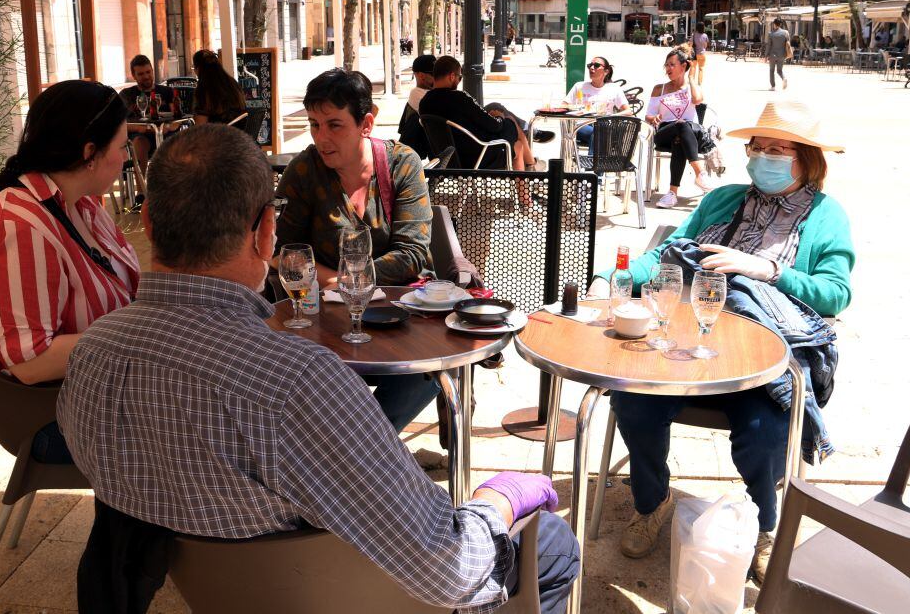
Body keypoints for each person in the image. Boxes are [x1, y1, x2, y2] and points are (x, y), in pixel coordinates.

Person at [59, 124, 582, 613]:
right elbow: (446, 566)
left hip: (210, 589)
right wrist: (497, 499)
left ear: (148, 222)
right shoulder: (295, 382)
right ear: (266, 232)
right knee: (554, 545)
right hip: (331, 594)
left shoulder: (92, 353)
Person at [589, 100, 854, 585]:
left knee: (764, 433)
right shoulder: (723, 199)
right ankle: (652, 501)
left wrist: (771, 270)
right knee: (632, 403)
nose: (764, 157)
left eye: (780, 149)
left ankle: (768, 524)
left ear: (807, 160)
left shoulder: (825, 216)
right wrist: (613, 277)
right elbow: (670, 257)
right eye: (759, 147)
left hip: (762, 356)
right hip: (688, 344)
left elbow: (836, 293)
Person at [0, 80, 140, 463]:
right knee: (202, 421)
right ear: (90, 153)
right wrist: (137, 338)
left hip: (92, 392)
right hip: (49, 416)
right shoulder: (23, 223)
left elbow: (127, 287)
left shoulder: (79, 204)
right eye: (121, 147)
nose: (126, 158)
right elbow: (32, 363)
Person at [275, 69, 439, 433]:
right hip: (327, 321)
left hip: (399, 316)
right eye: (314, 124)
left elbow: (412, 254)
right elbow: (283, 251)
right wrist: (342, 285)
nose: (321, 138)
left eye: (334, 125)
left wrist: (342, 280)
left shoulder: (402, 164)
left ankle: (360, 448)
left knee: (426, 371)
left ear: (367, 123)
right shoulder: (304, 169)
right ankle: (365, 453)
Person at [418, 56, 535, 171]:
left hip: (446, 159)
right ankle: (530, 171)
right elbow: (495, 126)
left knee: (512, 132)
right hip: (477, 157)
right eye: (459, 77)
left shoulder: (424, 103)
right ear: (452, 76)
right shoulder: (460, 98)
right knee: (514, 134)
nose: (459, 81)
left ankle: (531, 165)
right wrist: (499, 116)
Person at [646, 45, 710, 209]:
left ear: (684, 66)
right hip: (664, 132)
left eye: (672, 64)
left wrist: (691, 79)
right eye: (666, 65)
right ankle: (699, 173)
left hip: (689, 134)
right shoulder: (659, 89)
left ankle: (672, 194)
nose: (668, 68)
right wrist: (655, 118)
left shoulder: (691, 87)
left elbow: (697, 101)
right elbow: (648, 116)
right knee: (679, 127)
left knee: (679, 138)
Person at [118, 54, 174, 176]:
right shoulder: (127, 95)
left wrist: (168, 127)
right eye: (141, 74)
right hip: (140, 136)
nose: (146, 76)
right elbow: (120, 123)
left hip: (166, 133)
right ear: (134, 76)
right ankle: (142, 191)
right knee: (139, 143)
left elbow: (178, 117)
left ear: (153, 71)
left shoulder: (166, 92)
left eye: (148, 72)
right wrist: (139, 128)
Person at [563, 56, 632, 148]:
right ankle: (595, 161)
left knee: (600, 131)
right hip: (582, 125)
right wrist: (575, 109)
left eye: (596, 65)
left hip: (605, 125)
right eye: (590, 65)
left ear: (606, 71)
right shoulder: (579, 86)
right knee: (598, 132)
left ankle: (594, 161)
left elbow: (628, 111)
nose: (592, 68)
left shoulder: (614, 88)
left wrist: (610, 116)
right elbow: (563, 105)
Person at [192, 49, 248, 126]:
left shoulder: (204, 89)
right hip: (239, 134)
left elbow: (200, 126)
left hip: (219, 135)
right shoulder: (232, 83)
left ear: (198, 69)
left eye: (194, 67)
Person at [398, 54, 435, 159]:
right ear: (421, 75)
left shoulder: (429, 93)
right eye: (434, 74)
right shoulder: (418, 94)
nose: (437, 77)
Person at [768, 19, 790, 91]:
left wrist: (765, 55)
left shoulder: (771, 34)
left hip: (773, 55)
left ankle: (773, 86)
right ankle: (784, 78)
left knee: (772, 70)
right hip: (782, 55)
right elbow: (788, 43)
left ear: (774, 24)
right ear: (780, 24)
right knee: (779, 70)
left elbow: (769, 46)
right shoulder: (785, 33)